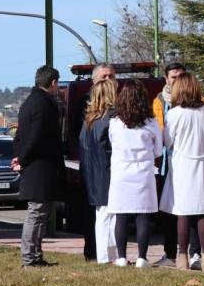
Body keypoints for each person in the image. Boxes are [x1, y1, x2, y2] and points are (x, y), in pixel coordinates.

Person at [159, 73, 204, 272]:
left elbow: (168, 141)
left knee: (182, 213)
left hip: (182, 166)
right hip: (203, 165)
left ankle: (182, 256)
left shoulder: (174, 113)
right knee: (203, 212)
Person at [107, 79, 164, 267]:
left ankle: (121, 257)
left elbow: (112, 144)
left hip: (121, 173)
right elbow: (157, 151)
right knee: (143, 216)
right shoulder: (151, 123)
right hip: (143, 173)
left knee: (121, 216)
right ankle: (142, 257)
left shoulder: (115, 123)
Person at [15, 66, 65, 267]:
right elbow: (36, 136)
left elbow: (20, 135)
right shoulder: (45, 104)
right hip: (41, 167)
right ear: (53, 82)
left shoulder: (28, 102)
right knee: (36, 213)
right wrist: (23, 159)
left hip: (34, 166)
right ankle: (30, 257)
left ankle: (34, 255)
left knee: (39, 213)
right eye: (57, 84)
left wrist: (17, 157)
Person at [79, 78, 117, 264]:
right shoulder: (109, 119)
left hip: (92, 173)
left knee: (101, 215)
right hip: (107, 172)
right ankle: (111, 255)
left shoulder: (89, 120)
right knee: (112, 216)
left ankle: (104, 255)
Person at [151, 62, 186, 266]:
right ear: (166, 79)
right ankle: (171, 254)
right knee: (168, 212)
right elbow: (158, 130)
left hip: (187, 164)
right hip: (166, 164)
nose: (177, 81)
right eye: (173, 77)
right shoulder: (159, 101)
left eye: (181, 76)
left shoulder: (196, 100)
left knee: (191, 211)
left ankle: (195, 253)